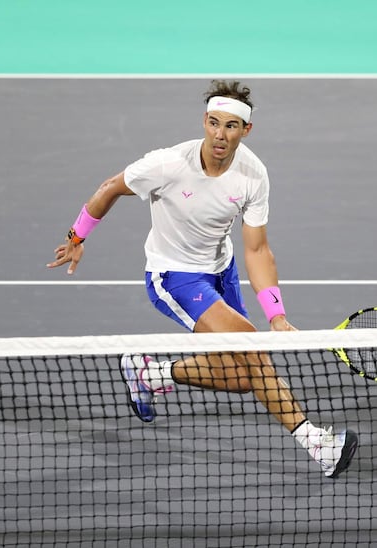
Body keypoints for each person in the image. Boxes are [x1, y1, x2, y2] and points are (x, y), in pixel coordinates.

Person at [47, 80, 357, 478]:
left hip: (220, 269)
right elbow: (110, 187)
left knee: (242, 377)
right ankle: (317, 444)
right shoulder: (167, 165)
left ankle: (151, 373)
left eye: (231, 126)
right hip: (174, 275)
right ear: (204, 122)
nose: (219, 135)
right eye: (213, 123)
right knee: (254, 352)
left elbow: (257, 249)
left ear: (246, 131)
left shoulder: (253, 175)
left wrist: (276, 315)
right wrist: (76, 237)